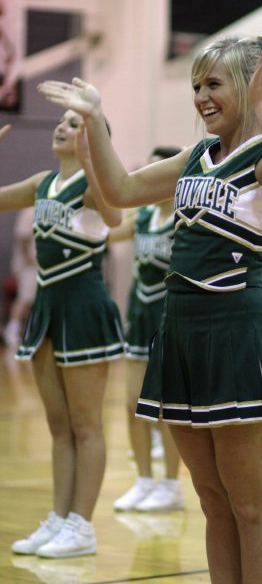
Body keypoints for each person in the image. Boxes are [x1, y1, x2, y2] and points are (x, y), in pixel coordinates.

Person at [38, 35, 262, 584]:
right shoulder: (193, 158)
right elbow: (119, 191)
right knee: (212, 501)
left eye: (213, 84)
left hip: (237, 339)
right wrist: (95, 119)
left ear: (246, 85)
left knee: (249, 505)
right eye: (196, 86)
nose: (201, 97)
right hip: (180, 337)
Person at [0, 114, 125, 559]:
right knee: (59, 426)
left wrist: (94, 161)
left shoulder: (93, 185)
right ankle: (59, 517)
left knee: (87, 425)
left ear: (92, 139)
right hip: (48, 307)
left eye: (75, 124)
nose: (61, 127)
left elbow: (114, 215)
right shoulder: (42, 182)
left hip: (85, 307)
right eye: (62, 122)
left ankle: (82, 525)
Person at [111, 145, 184, 512]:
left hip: (170, 317)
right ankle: (143, 480)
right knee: (131, 404)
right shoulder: (141, 219)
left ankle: (171, 484)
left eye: (159, 172)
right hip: (139, 316)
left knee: (167, 408)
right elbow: (106, 231)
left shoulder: (185, 218)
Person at [3, 206, 37, 349]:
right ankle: (12, 329)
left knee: (34, 301)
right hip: (30, 265)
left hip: (41, 264)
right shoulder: (30, 211)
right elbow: (22, 236)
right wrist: (29, 257)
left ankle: (30, 332)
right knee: (25, 298)